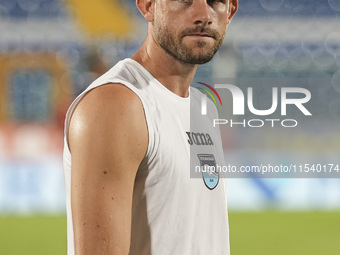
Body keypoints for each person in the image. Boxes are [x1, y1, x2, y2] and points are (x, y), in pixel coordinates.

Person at [63, 0, 238, 254]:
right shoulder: (116, 105)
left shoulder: (203, 108)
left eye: (215, 2)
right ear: (147, 6)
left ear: (231, 10)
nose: (203, 15)